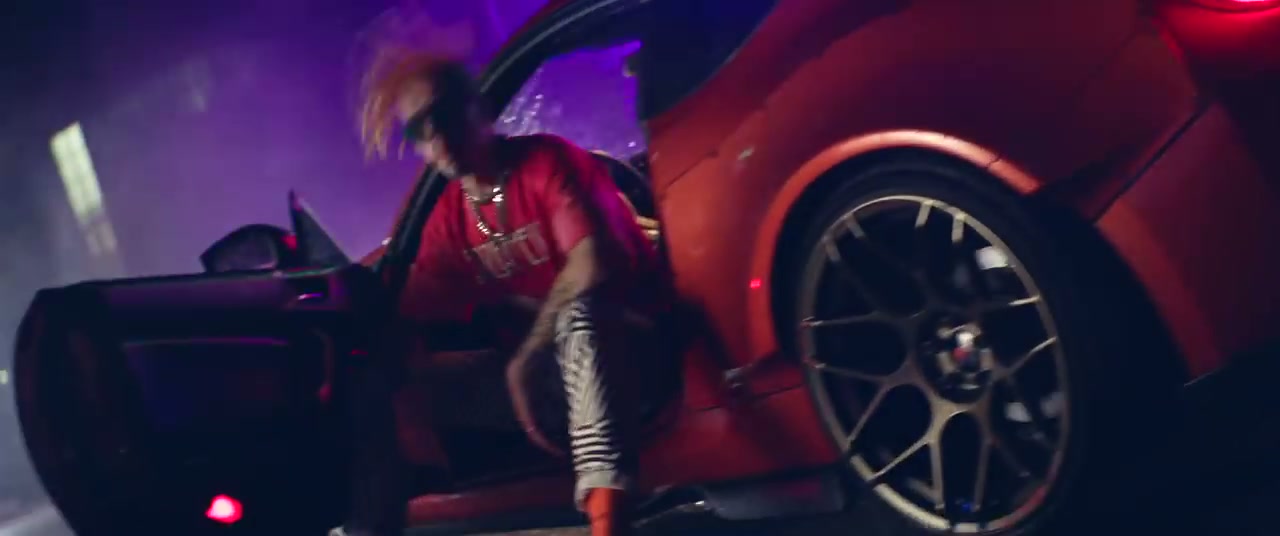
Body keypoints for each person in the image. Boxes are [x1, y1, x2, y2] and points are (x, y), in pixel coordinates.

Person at [332, 51, 665, 536]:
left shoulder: (548, 161)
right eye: (419, 129)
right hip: (548, 388)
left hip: (641, 360)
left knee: (579, 317)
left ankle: (608, 522)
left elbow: (593, 262)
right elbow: (408, 303)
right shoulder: (449, 214)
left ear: (480, 109)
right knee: (387, 380)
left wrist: (527, 355)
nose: (437, 135)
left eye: (445, 113)